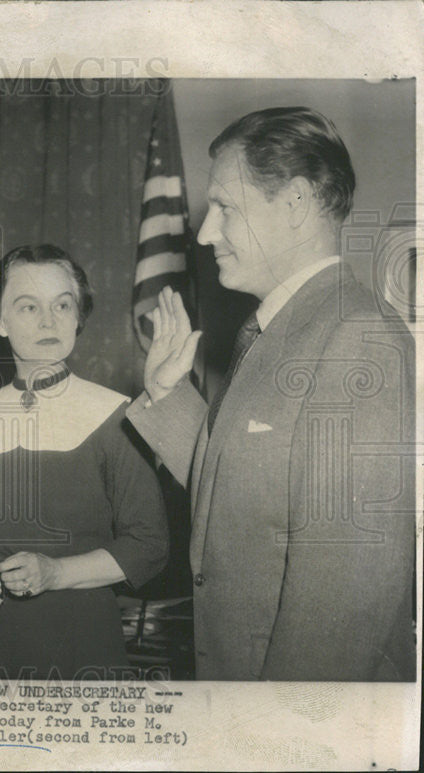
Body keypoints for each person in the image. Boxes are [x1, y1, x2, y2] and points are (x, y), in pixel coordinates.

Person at [127, 107, 415, 680]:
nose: (206, 233)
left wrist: (281, 732)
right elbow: (243, 490)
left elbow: (343, 600)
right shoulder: (276, 330)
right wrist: (166, 392)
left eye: (226, 209)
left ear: (296, 204)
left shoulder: (355, 339)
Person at [0, 245, 168, 680]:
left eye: (62, 304)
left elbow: (149, 545)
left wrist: (57, 573)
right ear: (0, 321)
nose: (48, 320)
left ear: (78, 317)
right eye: (27, 306)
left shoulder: (117, 416)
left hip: (80, 648)